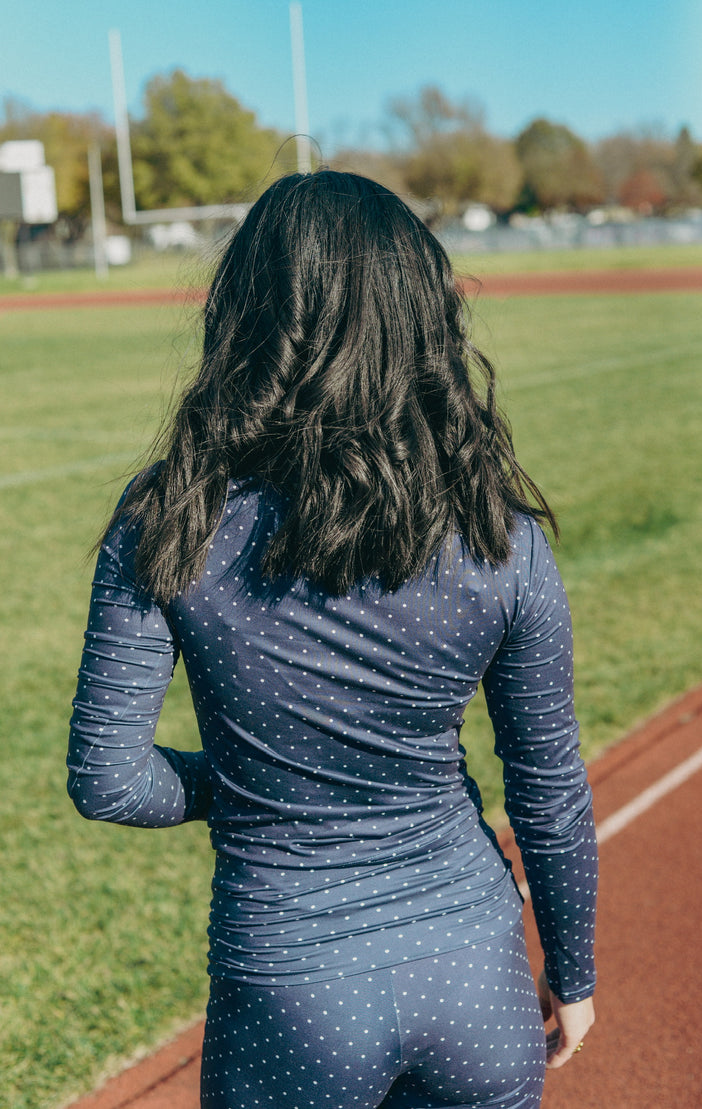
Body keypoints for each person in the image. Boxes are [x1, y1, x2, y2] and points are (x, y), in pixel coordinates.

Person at [67, 170, 597, 1109]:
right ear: (425, 318)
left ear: (246, 317)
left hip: (290, 990)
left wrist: (239, 779)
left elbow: (107, 779)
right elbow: (548, 788)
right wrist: (577, 971)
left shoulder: (172, 513)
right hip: (476, 976)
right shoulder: (499, 535)